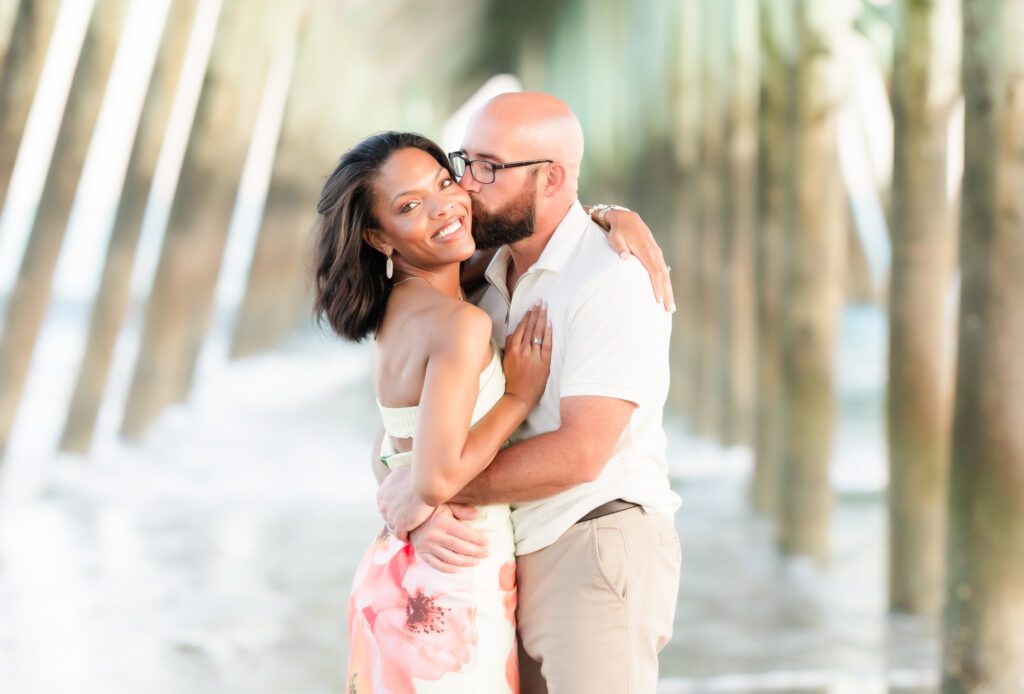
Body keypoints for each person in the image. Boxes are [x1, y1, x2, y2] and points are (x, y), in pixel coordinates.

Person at [313, 130, 667, 693]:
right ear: (379, 238)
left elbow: (396, 445)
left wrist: (606, 214)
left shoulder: (412, 309)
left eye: (445, 181)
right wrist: (516, 398)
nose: (446, 205)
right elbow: (433, 475)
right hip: (454, 581)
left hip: (405, 575)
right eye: (409, 206)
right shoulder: (459, 320)